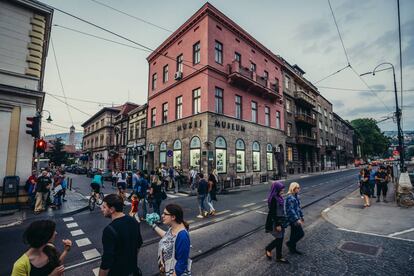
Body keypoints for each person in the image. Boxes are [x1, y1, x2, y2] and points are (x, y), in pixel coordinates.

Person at [99, 194, 143, 276]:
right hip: (133, 271)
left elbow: (106, 261)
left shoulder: (109, 230)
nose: (101, 209)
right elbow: (138, 244)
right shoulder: (134, 222)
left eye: (104, 207)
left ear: (112, 209)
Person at [150, 204, 191, 276]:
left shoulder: (182, 236)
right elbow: (167, 237)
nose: (162, 215)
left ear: (173, 217)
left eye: (165, 214)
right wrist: (153, 225)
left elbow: (182, 263)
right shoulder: (173, 228)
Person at [265, 181, 289, 264]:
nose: (283, 191)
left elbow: (281, 210)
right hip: (276, 222)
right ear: (277, 189)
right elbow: (273, 213)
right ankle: (269, 249)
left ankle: (278, 255)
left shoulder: (279, 197)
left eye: (283, 189)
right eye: (281, 189)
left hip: (281, 220)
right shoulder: (273, 199)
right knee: (279, 238)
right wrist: (278, 224)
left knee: (280, 238)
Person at [285, 182, 305, 255]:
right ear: (293, 188)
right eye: (298, 188)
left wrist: (302, 216)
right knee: (301, 234)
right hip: (293, 219)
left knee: (293, 234)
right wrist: (297, 219)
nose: (299, 189)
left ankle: (292, 249)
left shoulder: (296, 196)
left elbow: (298, 208)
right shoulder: (290, 197)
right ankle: (290, 243)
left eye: (299, 187)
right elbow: (291, 210)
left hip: (297, 218)